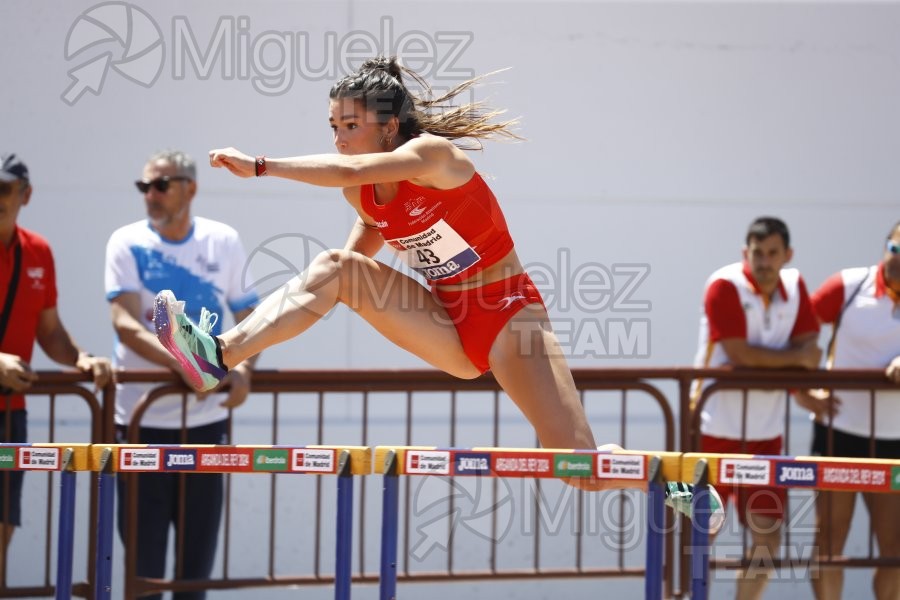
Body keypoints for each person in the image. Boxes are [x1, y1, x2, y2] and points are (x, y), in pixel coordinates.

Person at [152, 56, 723, 525]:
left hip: (508, 319)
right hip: (447, 321)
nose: (340, 139)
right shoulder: (364, 193)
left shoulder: (433, 158)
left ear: (389, 127)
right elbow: (358, 249)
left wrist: (261, 166)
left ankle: (671, 478)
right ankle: (217, 355)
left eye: (351, 126)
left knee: (580, 468)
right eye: (333, 127)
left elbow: (349, 173)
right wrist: (334, 283)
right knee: (335, 267)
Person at [104, 149, 259, 600]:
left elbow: (250, 314)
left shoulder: (222, 240)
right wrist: (187, 365)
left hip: (206, 424)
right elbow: (125, 324)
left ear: (191, 188)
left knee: (195, 574)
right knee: (143, 572)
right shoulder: (126, 241)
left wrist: (244, 367)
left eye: (161, 185)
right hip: (139, 423)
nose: (150, 195)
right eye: (143, 187)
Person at [692, 216, 821, 599]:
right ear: (744, 253)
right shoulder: (723, 284)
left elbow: (812, 348)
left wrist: (796, 367)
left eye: (771, 253)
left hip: (766, 435)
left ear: (787, 255)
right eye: (756, 253)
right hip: (710, 430)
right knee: (696, 538)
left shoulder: (796, 286)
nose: (763, 261)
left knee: (768, 539)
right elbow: (740, 353)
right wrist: (796, 362)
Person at [0, 153, 113, 582]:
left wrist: (81, 358)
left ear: (26, 195)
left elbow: (49, 331)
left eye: (6, 188)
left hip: (10, 415)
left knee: (3, 530)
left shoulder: (38, 251)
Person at [794, 222, 900, 600]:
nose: (899, 260)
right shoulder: (848, 285)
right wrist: (799, 389)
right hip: (839, 432)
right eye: (896, 248)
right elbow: (796, 331)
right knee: (828, 544)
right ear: (886, 245)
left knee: (895, 552)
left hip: (894, 440)